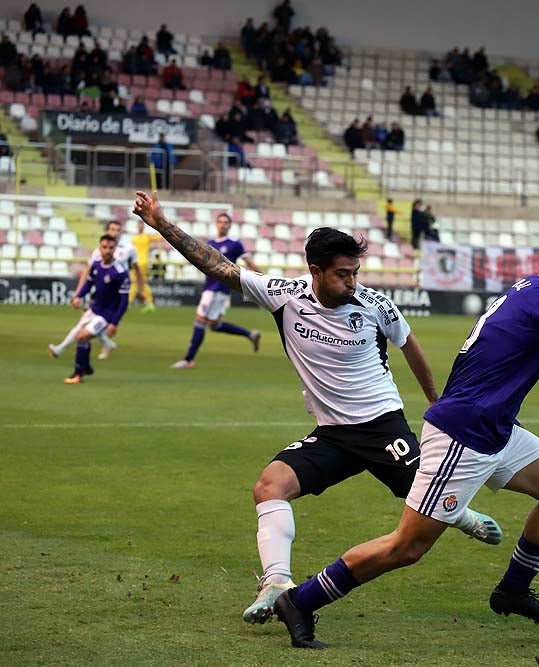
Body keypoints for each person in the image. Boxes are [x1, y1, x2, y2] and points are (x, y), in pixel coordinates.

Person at [266, 225, 539, 649]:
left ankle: (513, 590)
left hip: (496, 427)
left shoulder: (528, 289)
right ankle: (300, 601)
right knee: (406, 547)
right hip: (464, 434)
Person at [130, 191, 504, 627]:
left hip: (382, 426)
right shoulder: (284, 296)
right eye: (343, 274)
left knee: (423, 500)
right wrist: (161, 223)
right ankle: (276, 583)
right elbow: (216, 264)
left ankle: (460, 513)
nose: (352, 282)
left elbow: (409, 343)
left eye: (356, 272)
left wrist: (436, 402)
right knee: (270, 486)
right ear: (315, 271)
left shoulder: (375, 304)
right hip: (331, 434)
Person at [169, 213, 262, 369]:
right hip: (210, 287)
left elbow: (249, 262)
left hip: (218, 288)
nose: (223, 225)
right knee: (213, 324)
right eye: (220, 222)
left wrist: (262, 279)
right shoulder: (211, 243)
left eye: (226, 222)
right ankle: (250, 334)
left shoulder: (234, 244)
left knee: (200, 321)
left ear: (230, 225)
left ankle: (188, 360)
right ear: (216, 224)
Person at [48, 234, 130, 384]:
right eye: (104, 247)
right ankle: (85, 367)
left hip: (106, 316)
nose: (107, 251)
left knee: (81, 337)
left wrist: (114, 323)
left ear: (115, 249)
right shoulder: (97, 265)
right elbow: (88, 284)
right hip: (94, 309)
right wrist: (78, 296)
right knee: (79, 334)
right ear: (100, 248)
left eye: (111, 248)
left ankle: (78, 374)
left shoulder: (120, 273)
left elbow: (124, 302)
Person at [57, 220, 141, 360]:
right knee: (86, 323)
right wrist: (78, 294)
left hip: (115, 293)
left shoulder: (128, 249)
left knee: (88, 329)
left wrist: (141, 288)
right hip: (99, 292)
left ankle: (82, 360)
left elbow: (136, 269)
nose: (115, 232)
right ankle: (103, 345)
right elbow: (89, 273)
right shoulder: (99, 251)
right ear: (107, 231)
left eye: (118, 230)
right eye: (112, 229)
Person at [127, 219, 161, 312]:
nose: (140, 226)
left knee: (135, 283)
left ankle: (129, 303)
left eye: (141, 225)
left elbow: (158, 238)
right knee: (141, 283)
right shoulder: (139, 238)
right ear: (138, 226)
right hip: (140, 263)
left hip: (140, 263)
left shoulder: (140, 238)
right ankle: (150, 303)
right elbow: (159, 237)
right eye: (139, 225)